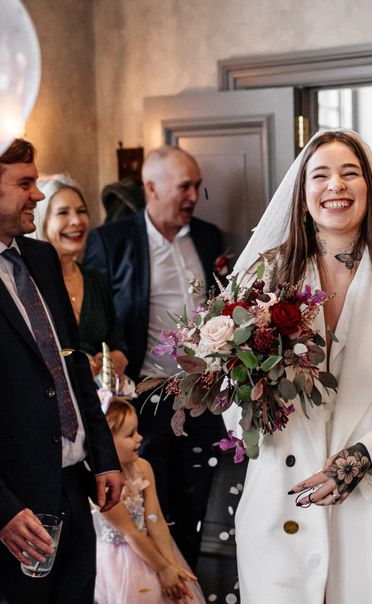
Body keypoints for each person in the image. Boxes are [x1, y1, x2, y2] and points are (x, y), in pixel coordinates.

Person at [232, 129, 372, 604]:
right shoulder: (261, 277)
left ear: (370, 188)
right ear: (303, 192)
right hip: (280, 502)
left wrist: (362, 460)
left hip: (370, 511)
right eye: (321, 175)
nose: (336, 186)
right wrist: (251, 399)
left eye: (350, 173)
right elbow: (231, 393)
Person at [84, 145, 224, 568]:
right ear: (151, 187)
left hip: (201, 400)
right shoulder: (111, 242)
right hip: (145, 402)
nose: (193, 196)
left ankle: (190, 583)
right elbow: (96, 321)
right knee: (151, 509)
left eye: (197, 186)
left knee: (194, 506)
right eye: (184, 186)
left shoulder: (207, 236)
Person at [0, 139, 122, 603]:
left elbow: (69, 368)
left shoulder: (43, 259)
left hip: (72, 486)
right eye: (24, 183)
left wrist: (104, 456)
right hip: (15, 511)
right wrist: (3, 512)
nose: (37, 195)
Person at [93, 399, 205, 604]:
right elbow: (131, 532)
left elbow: (156, 520)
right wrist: (162, 568)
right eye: (130, 435)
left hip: (153, 551)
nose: (140, 438)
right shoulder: (101, 483)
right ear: (105, 440)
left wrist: (172, 567)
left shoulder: (143, 468)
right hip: (118, 565)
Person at [30, 174, 129, 379]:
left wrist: (115, 357)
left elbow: (117, 341)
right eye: (63, 213)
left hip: (99, 404)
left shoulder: (95, 280)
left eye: (81, 211)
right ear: (41, 220)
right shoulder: (28, 284)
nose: (76, 221)